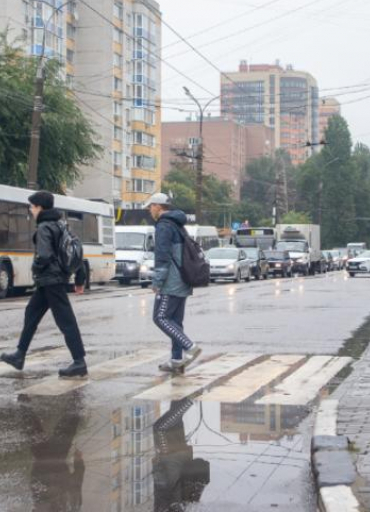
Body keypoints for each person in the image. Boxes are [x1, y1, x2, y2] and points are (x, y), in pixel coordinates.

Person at [0, 190, 88, 378]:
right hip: (51, 281)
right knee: (31, 313)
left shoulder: (44, 227)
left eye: (32, 207)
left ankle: (79, 362)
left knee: (66, 321)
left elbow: (45, 255)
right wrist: (80, 278)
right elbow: (77, 250)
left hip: (50, 281)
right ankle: (19, 355)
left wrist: (36, 267)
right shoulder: (61, 224)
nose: (31, 210)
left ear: (40, 207)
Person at [145, 193, 202, 373]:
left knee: (160, 318)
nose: (149, 210)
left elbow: (162, 256)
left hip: (171, 281)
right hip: (184, 279)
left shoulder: (163, 226)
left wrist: (157, 281)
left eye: (150, 206)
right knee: (175, 321)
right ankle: (177, 360)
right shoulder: (177, 224)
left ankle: (189, 346)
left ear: (158, 207)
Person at [152, 398, 211, 511]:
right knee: (159, 428)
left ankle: (182, 388)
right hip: (171, 458)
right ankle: (191, 398)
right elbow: (169, 490)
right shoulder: (175, 507)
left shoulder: (175, 507)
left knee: (175, 422)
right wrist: (158, 468)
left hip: (176, 459)